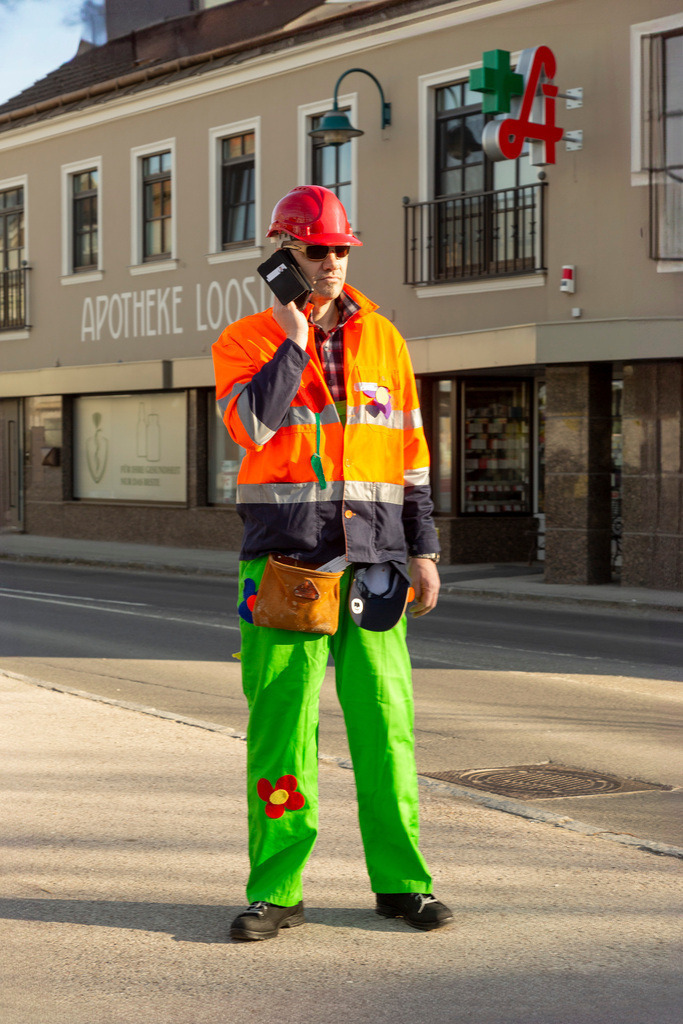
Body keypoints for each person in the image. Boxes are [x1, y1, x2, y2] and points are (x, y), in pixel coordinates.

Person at [212, 185, 452, 941]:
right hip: (286, 566)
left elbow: (408, 457)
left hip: (374, 566)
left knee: (387, 727)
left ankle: (403, 884)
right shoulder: (245, 340)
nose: (331, 263)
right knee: (282, 734)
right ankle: (277, 889)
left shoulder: (386, 340)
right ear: (284, 256)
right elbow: (252, 426)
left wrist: (424, 548)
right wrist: (292, 340)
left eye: (341, 250)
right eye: (316, 251)